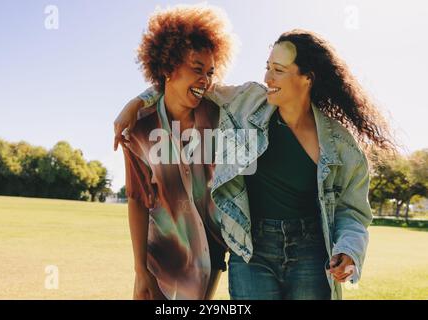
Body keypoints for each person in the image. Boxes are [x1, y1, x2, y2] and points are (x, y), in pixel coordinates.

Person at [115, 29, 394, 300]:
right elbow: (183, 83)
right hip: (251, 249)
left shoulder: (340, 145)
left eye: (278, 70)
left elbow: (353, 211)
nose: (267, 77)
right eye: (268, 66)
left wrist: (349, 251)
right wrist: (137, 103)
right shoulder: (249, 101)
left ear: (307, 78)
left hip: (311, 252)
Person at [118, 4, 235, 300]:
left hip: (210, 257)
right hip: (161, 261)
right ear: (168, 68)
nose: (205, 81)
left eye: (209, 72)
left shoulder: (219, 117)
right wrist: (140, 270)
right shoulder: (140, 130)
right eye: (197, 69)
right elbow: (137, 200)